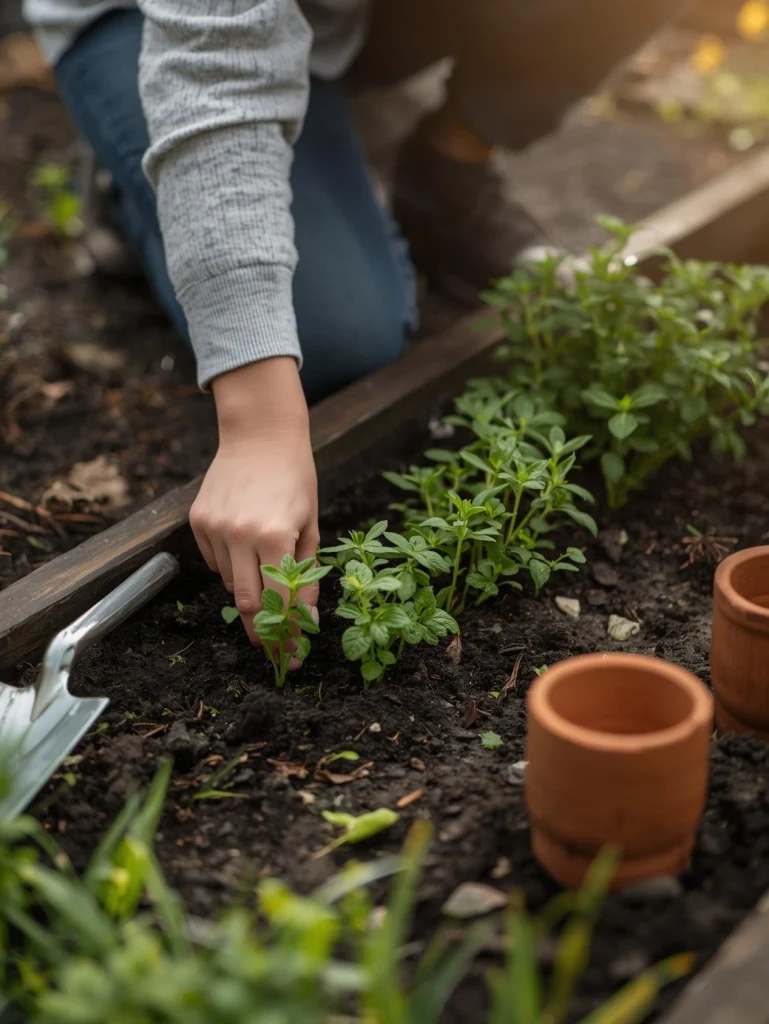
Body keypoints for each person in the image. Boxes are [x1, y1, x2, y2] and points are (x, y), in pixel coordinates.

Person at [23, 0, 687, 650]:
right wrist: (260, 426)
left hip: (337, 19)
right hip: (174, 28)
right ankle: (136, 178)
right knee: (333, 342)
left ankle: (448, 171)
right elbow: (217, 62)